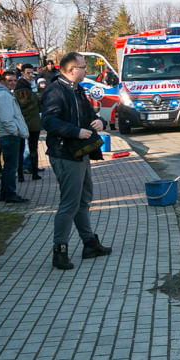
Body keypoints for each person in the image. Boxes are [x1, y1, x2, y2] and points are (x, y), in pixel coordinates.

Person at [41, 52, 112, 270]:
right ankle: (59, 251)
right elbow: (49, 121)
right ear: (71, 69)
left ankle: (90, 243)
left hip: (79, 152)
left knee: (83, 199)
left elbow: (90, 115)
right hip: (65, 153)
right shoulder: (56, 90)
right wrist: (75, 132)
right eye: (82, 67)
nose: (86, 70)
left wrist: (100, 122)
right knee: (70, 203)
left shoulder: (77, 89)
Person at [0, 71, 29, 203]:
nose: (12, 83)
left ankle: (5, 193)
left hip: (7, 134)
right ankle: (10, 194)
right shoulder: (3, 96)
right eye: (9, 80)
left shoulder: (4, 94)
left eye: (14, 80)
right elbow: (6, 118)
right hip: (9, 135)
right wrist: (15, 131)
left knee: (8, 166)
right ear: (3, 81)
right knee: (11, 167)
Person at [14, 63, 42, 181]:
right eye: (28, 73)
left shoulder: (18, 91)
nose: (30, 75)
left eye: (32, 73)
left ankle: (22, 174)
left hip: (23, 123)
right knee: (32, 149)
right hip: (31, 123)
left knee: (22, 149)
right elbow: (38, 105)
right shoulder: (26, 90)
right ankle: (32, 173)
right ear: (22, 73)